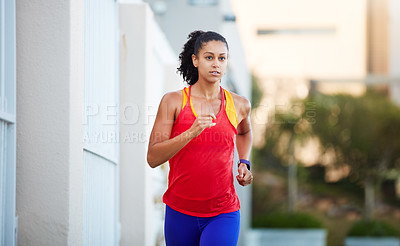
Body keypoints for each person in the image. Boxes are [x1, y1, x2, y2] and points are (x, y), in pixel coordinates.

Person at [147, 30, 253, 246]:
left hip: (223, 212)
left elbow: (244, 132)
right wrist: (191, 132)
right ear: (195, 60)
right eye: (209, 57)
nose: (216, 64)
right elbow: (153, 157)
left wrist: (244, 161)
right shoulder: (173, 102)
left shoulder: (239, 105)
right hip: (180, 212)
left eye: (222, 58)